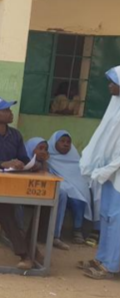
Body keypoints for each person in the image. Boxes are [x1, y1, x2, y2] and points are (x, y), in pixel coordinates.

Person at [0, 97, 43, 270]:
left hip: (15, 184)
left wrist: (33, 164)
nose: (10, 113)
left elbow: (24, 159)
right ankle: (26, 254)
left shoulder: (15, 135)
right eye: (6, 110)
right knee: (4, 209)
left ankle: (29, 246)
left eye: (9, 109)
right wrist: (1, 164)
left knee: (44, 204)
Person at [78, 66, 120, 280]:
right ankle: (102, 257)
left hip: (115, 174)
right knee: (106, 217)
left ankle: (112, 266)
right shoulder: (115, 106)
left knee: (117, 220)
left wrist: (104, 171)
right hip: (110, 176)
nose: (109, 86)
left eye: (114, 82)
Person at [48, 130, 96, 246]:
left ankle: (77, 230)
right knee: (66, 194)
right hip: (60, 190)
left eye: (68, 142)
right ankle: (56, 235)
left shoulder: (75, 159)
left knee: (79, 199)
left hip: (74, 192)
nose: (66, 144)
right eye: (62, 141)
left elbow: (80, 179)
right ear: (54, 143)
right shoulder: (49, 158)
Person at [24, 137, 70, 250]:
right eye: (40, 148)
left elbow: (45, 176)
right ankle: (19, 234)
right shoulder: (23, 159)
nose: (43, 152)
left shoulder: (42, 163)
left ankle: (55, 235)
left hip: (39, 193)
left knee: (62, 193)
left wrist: (44, 162)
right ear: (31, 148)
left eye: (45, 149)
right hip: (23, 192)